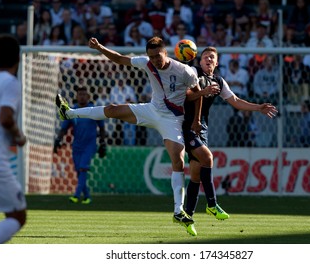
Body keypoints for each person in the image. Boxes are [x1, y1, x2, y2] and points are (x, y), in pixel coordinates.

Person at [55, 36, 201, 231]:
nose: (155, 60)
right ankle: (68, 112)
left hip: (172, 119)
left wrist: (196, 120)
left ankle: (178, 211)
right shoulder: (147, 63)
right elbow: (119, 58)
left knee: (178, 160)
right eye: (151, 56)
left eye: (158, 55)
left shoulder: (184, 71)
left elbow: (197, 94)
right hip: (151, 110)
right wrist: (99, 47)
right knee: (114, 109)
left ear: (166, 52)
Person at [182, 46, 278, 236]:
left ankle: (188, 217)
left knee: (195, 174)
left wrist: (258, 107)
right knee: (207, 158)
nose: (208, 59)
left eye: (212, 57)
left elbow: (235, 100)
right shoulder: (193, 72)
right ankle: (212, 203)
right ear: (200, 61)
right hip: (187, 126)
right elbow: (188, 95)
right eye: (205, 57)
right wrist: (203, 92)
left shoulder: (219, 81)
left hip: (202, 129)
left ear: (217, 63)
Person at [0, 34, 27, 243]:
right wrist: (18, 136)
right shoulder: (10, 82)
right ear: (18, 59)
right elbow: (5, 117)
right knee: (18, 216)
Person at [53, 86, 106, 204]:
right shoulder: (72, 111)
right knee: (79, 171)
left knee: (83, 167)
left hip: (90, 145)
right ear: (76, 96)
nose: (82, 96)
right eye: (80, 94)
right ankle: (87, 197)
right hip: (77, 146)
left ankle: (76, 196)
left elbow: (102, 128)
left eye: (84, 94)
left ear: (88, 96)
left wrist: (103, 143)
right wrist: (58, 141)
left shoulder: (94, 109)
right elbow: (64, 129)